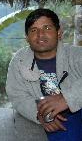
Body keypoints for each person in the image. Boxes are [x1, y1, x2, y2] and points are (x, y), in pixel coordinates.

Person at [6, 8, 82, 140]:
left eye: (47, 28)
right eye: (34, 30)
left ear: (59, 33)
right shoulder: (20, 60)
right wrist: (38, 114)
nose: (40, 34)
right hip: (45, 118)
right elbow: (17, 96)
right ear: (27, 38)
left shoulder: (76, 55)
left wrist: (66, 99)